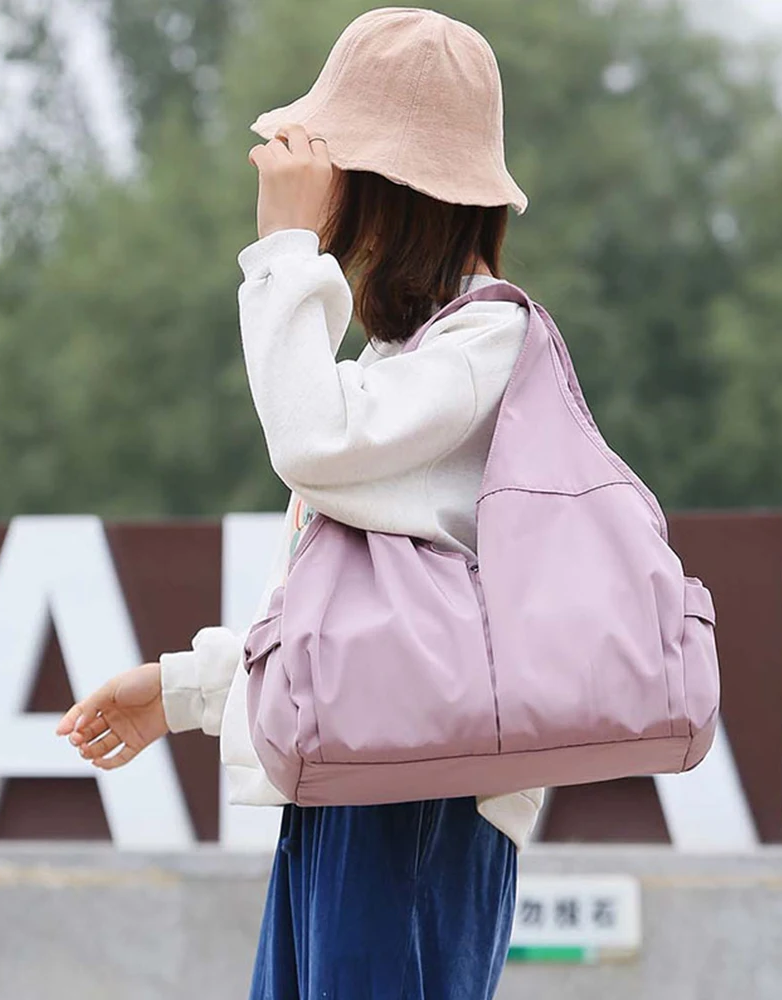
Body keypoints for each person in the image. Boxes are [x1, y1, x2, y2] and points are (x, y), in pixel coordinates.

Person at [56, 8, 543, 998]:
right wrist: (186, 688)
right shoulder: (416, 357)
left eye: (331, 159)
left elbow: (311, 441)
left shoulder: (485, 346)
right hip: (365, 787)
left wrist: (284, 251)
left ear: (379, 184)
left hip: (414, 803)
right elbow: (369, 633)